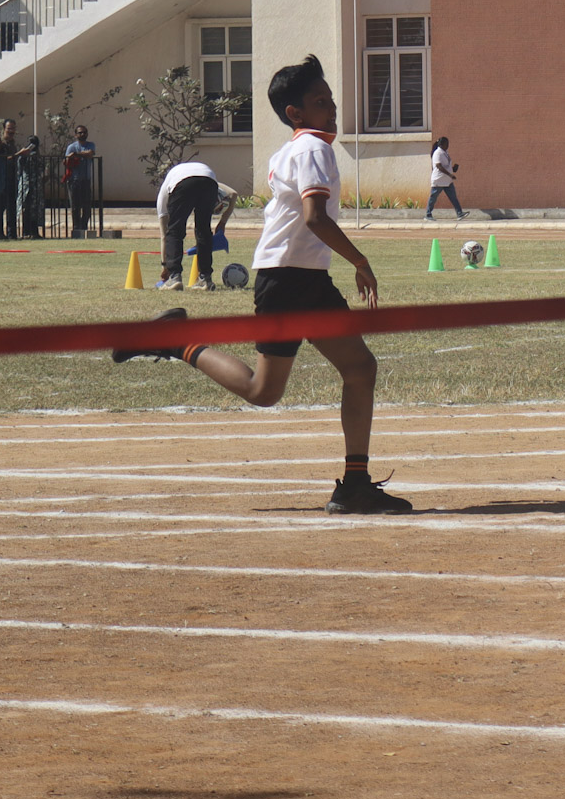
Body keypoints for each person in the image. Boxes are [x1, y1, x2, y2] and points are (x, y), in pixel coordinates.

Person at [111, 54, 407, 515]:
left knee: (359, 368)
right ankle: (177, 341)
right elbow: (313, 217)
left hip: (302, 278)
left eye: (330, 98)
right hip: (288, 281)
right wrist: (360, 259)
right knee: (264, 392)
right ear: (295, 112)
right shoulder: (311, 149)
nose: (332, 107)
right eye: (320, 101)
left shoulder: (296, 149)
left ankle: (354, 484)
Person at [155, 158, 237, 289]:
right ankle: (205, 278)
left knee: (175, 231)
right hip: (209, 182)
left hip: (183, 185)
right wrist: (222, 223)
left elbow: (165, 236)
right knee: (204, 231)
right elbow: (233, 194)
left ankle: (174, 277)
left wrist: (165, 266)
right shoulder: (205, 177)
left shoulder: (163, 198)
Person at [65, 124, 97, 236]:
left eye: (84, 132)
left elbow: (90, 153)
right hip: (74, 180)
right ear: (75, 135)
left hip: (86, 179)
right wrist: (72, 157)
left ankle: (84, 227)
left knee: (87, 206)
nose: (82, 134)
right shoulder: (71, 147)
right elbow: (67, 160)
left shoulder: (90, 145)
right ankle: (76, 229)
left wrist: (77, 155)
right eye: (80, 133)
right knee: (75, 206)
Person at [427, 135, 465, 219]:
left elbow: (446, 166)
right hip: (439, 180)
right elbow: (439, 166)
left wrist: (453, 169)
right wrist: (450, 174)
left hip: (447, 181)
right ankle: (428, 214)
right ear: (442, 144)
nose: (448, 145)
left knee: (453, 197)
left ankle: (459, 213)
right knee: (433, 198)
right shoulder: (438, 153)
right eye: (447, 143)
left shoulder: (445, 153)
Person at [15, 134, 45, 238]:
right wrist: (24, 155)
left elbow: (41, 168)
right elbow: (20, 168)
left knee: (35, 209)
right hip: (26, 185)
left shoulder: (38, 156)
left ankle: (34, 231)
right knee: (25, 208)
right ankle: (26, 231)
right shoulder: (24, 156)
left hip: (36, 185)